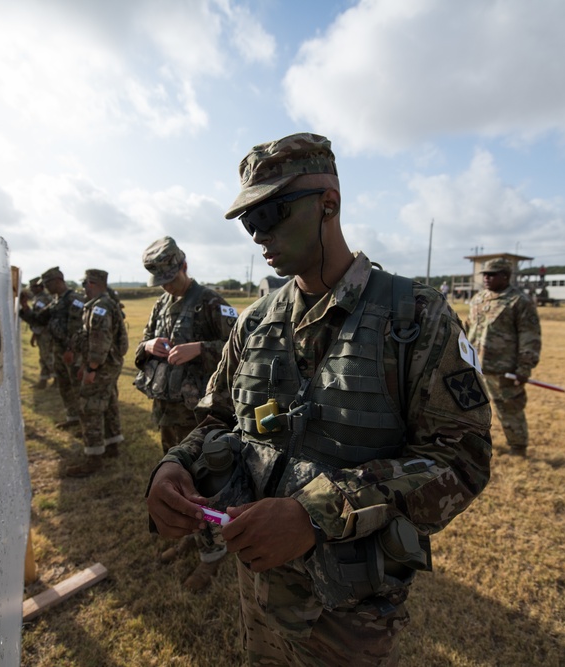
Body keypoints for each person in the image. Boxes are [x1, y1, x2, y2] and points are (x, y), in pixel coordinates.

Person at [145, 133, 492, 666]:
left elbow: (461, 460)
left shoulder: (415, 317)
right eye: (248, 222)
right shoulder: (258, 320)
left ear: (328, 202)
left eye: (273, 214)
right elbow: (218, 417)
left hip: (349, 613)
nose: (259, 235)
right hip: (258, 588)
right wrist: (176, 465)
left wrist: (314, 513)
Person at [135, 236, 238, 591]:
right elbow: (144, 341)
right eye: (160, 280)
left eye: (170, 277)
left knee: (203, 485)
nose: (166, 285)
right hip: (168, 408)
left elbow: (242, 347)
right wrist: (149, 345)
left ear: (184, 266)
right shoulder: (162, 304)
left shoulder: (211, 303)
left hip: (201, 417)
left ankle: (212, 553)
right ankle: (190, 537)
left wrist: (200, 349)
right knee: (176, 480)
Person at [465, 257, 542, 457]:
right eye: (485, 275)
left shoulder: (519, 302)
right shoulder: (478, 299)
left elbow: (530, 337)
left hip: (503, 370)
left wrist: (524, 368)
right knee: (470, 408)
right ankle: (473, 443)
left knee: (509, 410)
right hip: (474, 366)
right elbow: (467, 329)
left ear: (505, 276)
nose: (487, 278)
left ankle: (518, 448)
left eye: (492, 275)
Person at [62, 269, 129, 477]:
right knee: (107, 402)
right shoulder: (102, 304)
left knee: (90, 405)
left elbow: (100, 340)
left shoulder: (100, 307)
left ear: (92, 283)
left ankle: (94, 458)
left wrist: (92, 367)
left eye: (84, 284)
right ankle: (112, 445)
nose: (83, 288)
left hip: (103, 365)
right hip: (106, 363)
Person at [20, 267, 86, 429]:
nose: (45, 287)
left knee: (78, 388)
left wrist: (71, 349)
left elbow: (78, 328)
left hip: (73, 352)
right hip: (59, 351)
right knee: (64, 385)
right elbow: (39, 319)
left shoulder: (74, 300)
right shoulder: (55, 301)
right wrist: (24, 307)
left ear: (58, 281)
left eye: (48, 283)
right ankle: (73, 418)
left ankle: (86, 424)